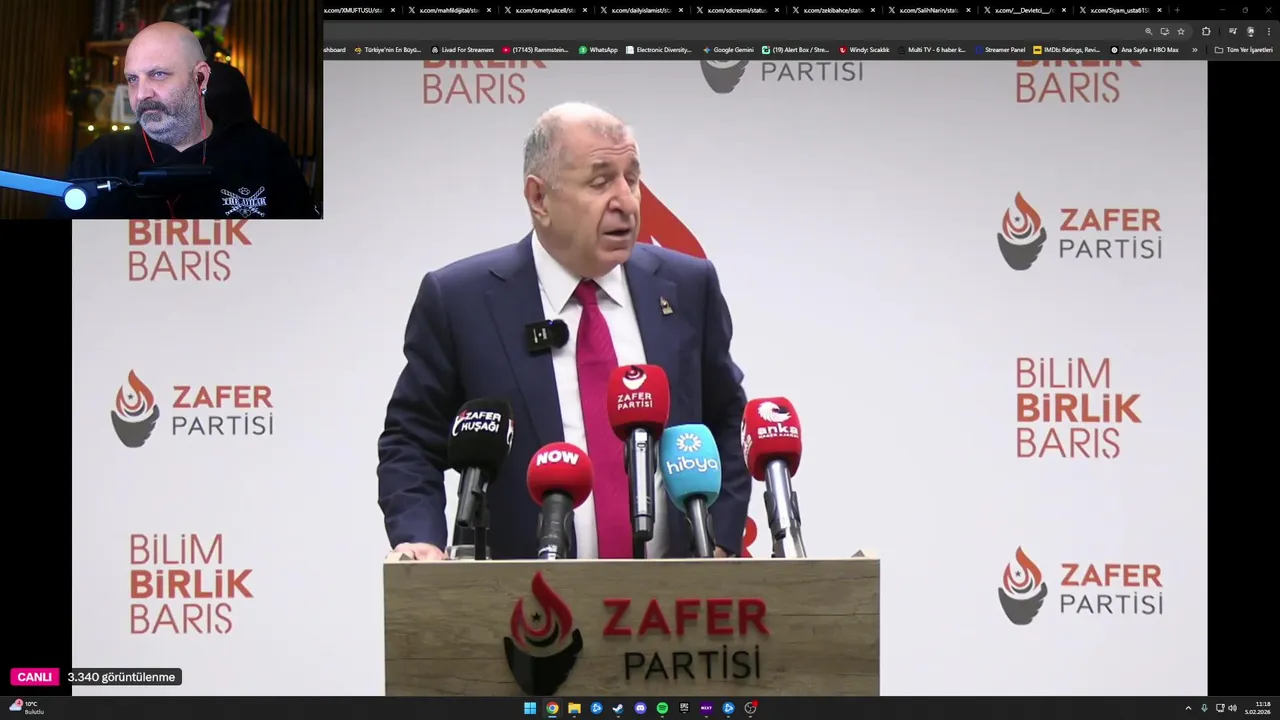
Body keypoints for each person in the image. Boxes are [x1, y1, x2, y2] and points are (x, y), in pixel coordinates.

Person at [378, 102, 751, 561]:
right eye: (600, 181)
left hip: (676, 596)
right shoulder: (462, 300)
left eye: (632, 178)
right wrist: (421, 539)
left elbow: (728, 419)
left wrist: (719, 542)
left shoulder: (688, 287)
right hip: (523, 596)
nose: (627, 201)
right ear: (539, 198)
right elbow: (411, 440)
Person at [51, 21, 317, 219]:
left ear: (200, 78)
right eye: (132, 79)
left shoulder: (265, 154)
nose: (141, 94)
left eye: (158, 74)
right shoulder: (100, 160)